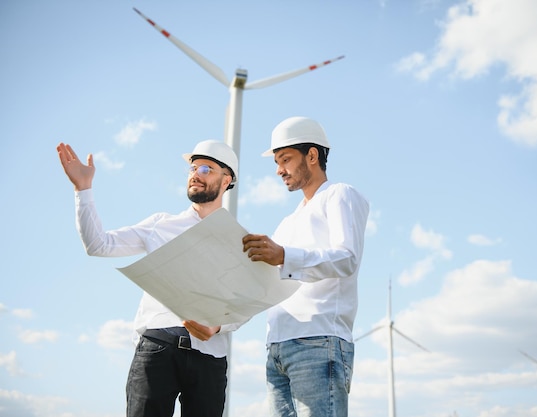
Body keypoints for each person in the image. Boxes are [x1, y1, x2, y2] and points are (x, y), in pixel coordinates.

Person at [57, 139, 243, 417]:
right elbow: (98, 244)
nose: (195, 173)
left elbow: (248, 300)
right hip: (157, 349)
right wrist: (83, 189)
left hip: (209, 358)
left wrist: (218, 326)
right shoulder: (161, 224)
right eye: (193, 168)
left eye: (206, 168)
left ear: (226, 179)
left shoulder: (239, 240)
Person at [242, 116, 370, 417]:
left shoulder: (339, 195)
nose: (278, 170)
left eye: (285, 159)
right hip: (277, 348)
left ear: (312, 155)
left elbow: (347, 257)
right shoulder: (287, 222)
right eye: (276, 161)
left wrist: (285, 256)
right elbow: (272, 284)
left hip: (318, 340)